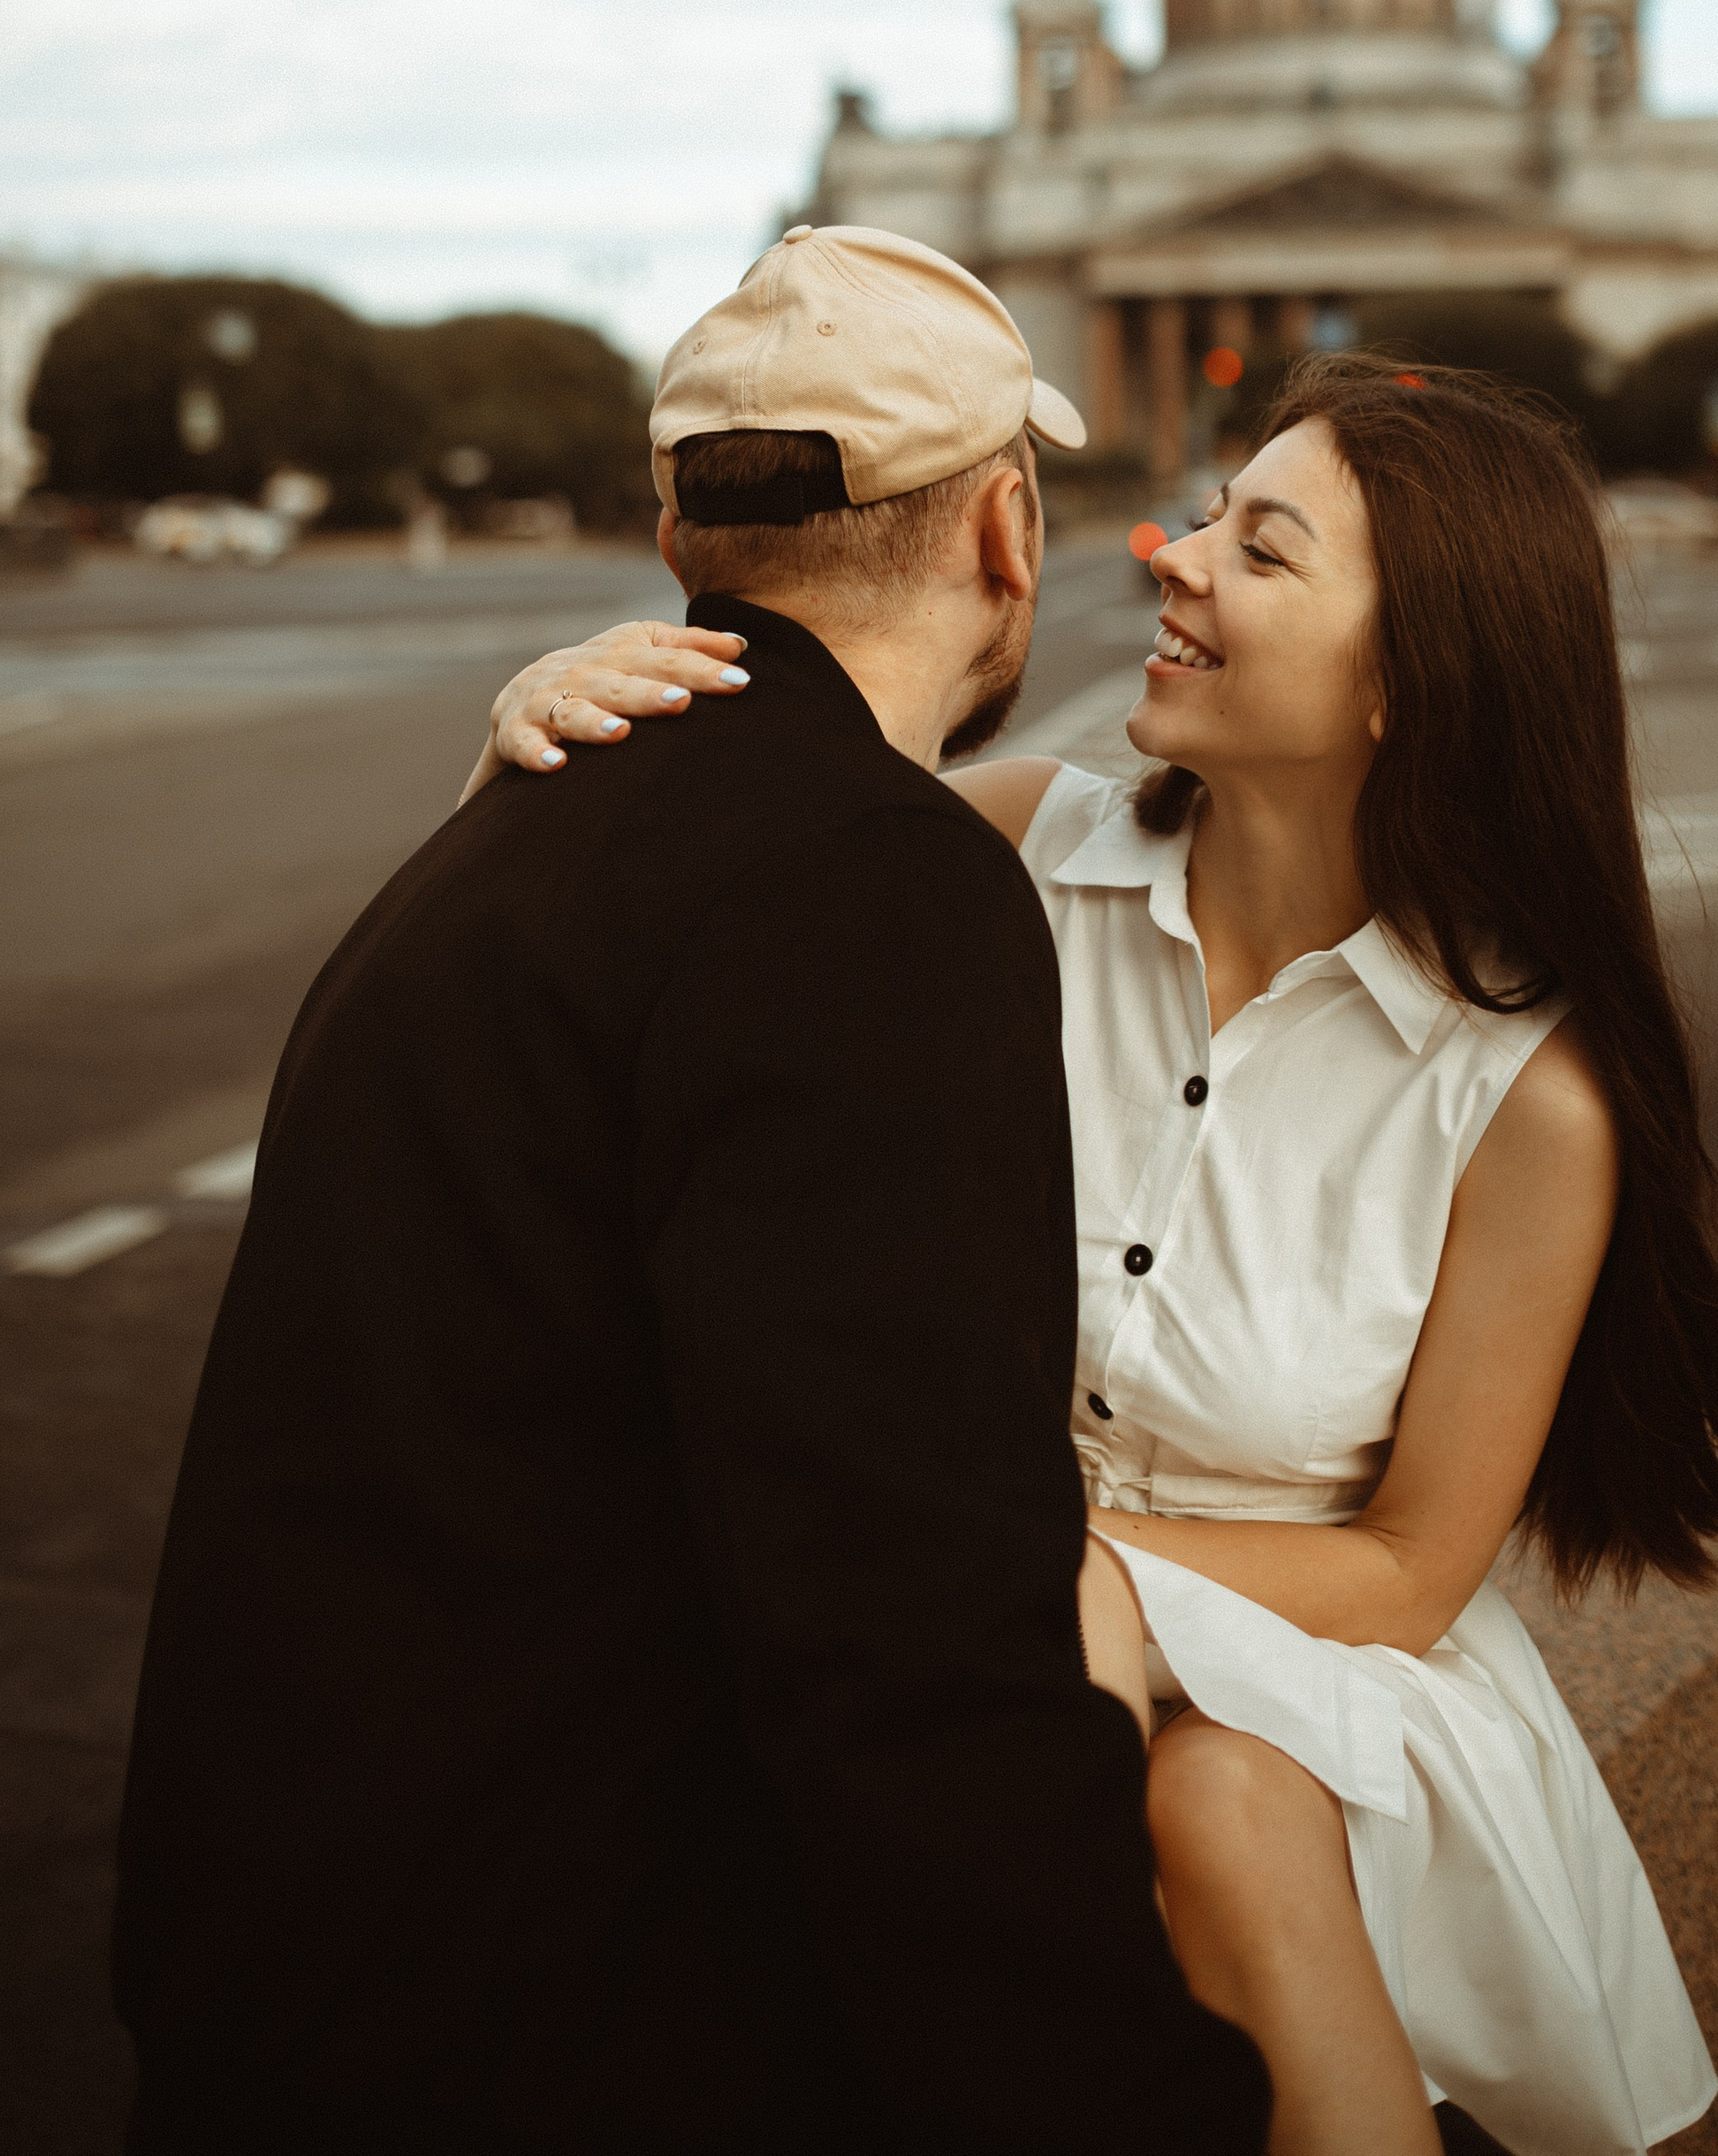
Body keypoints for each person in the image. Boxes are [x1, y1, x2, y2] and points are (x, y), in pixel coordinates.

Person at [475, 342, 1718, 2156]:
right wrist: (553, 727)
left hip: (1301, 1660)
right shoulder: (1002, 849)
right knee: (1171, 1816)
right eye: (1207, 522)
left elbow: (1406, 1567)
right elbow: (656, 936)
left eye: (1260, 549)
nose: (1166, 553)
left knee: (1231, 1804)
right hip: (949, 1628)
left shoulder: (1524, 1101)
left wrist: (1067, 1569)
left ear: (1412, 678)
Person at [113, 225, 1270, 2156]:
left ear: (674, 533)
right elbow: (906, 1630)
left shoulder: (501, 834)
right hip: (559, 2037)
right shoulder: (868, 886)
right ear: (1004, 532)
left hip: (293, 1986)